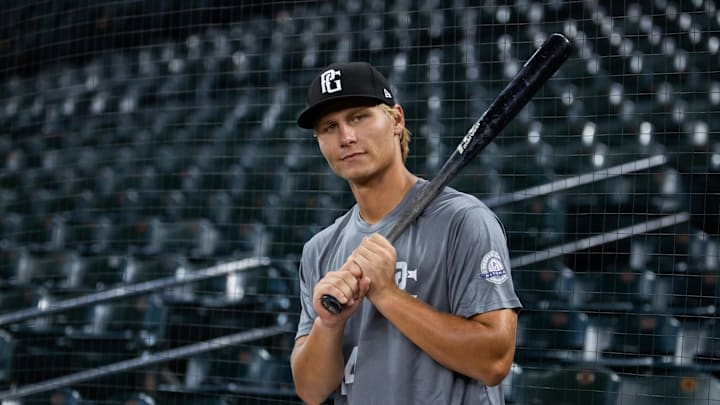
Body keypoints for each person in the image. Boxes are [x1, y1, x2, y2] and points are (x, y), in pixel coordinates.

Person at [290, 61, 522, 405]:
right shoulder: (320, 249)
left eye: (358, 117)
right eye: (328, 127)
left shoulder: (463, 221)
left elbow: (494, 361)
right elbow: (311, 391)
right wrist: (328, 324)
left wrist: (387, 295)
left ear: (396, 120)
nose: (346, 137)